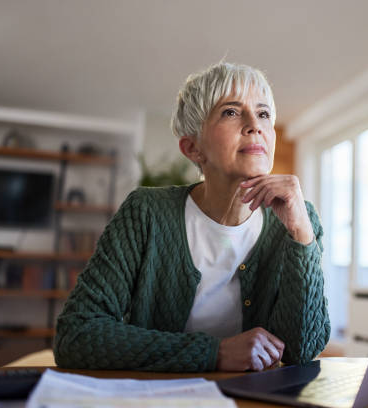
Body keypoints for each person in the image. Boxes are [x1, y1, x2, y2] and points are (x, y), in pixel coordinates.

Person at [54, 62, 330, 372]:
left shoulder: (299, 220)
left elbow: (301, 351)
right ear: (193, 148)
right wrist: (216, 353)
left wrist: (301, 236)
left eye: (264, 114)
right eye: (231, 112)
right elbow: (76, 334)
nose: (255, 125)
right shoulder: (146, 213)